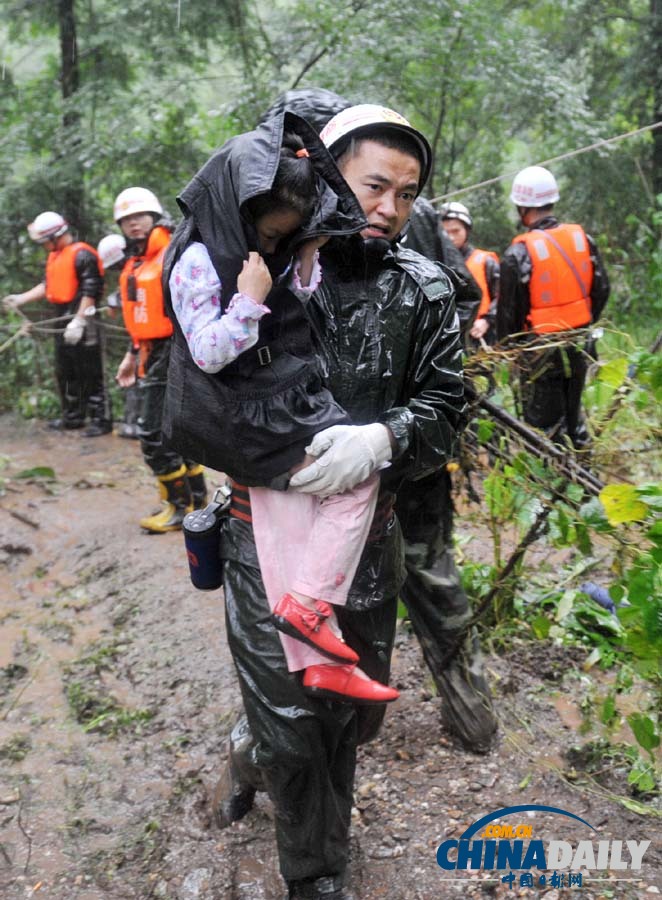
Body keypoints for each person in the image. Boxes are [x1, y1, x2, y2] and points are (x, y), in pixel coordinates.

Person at [168, 103, 465, 900]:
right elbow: (201, 380)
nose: (390, 207)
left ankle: (250, 750)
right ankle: (316, 873)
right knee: (296, 730)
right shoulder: (263, 265)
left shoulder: (424, 288)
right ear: (327, 177)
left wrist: (385, 438)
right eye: (375, 185)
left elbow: (447, 407)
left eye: (408, 194)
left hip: (366, 539)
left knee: (350, 720)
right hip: (257, 534)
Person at [165, 122, 398, 704]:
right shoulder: (197, 261)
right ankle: (311, 607)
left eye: (284, 236)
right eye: (271, 234)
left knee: (287, 516)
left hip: (272, 402)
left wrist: (307, 251)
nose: (274, 246)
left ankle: (315, 657)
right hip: (243, 414)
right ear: (240, 214)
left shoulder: (262, 248)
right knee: (356, 478)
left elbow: (297, 297)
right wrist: (248, 300)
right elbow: (208, 352)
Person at [112, 188, 207, 531]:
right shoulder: (136, 263)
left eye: (139, 216)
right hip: (151, 351)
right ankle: (196, 500)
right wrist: (132, 353)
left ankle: (178, 507)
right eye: (126, 219)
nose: (133, 223)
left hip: (174, 349)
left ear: (154, 216)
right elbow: (143, 315)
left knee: (152, 432)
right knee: (176, 432)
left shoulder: (173, 253)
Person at [497, 166, 610, 449]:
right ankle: (583, 470)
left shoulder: (518, 253)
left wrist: (511, 351)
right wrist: (582, 322)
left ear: (522, 207)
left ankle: (554, 472)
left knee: (544, 428)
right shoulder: (582, 240)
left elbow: (509, 316)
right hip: (580, 343)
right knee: (573, 415)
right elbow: (602, 289)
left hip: (540, 353)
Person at [2, 211, 113, 436]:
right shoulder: (56, 256)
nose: (43, 246)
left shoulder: (83, 255)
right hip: (63, 316)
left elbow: (91, 290)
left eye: (44, 241)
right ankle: (73, 417)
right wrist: (21, 298)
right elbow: (48, 285)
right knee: (66, 369)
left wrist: (79, 320)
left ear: (55, 236)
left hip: (84, 317)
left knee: (89, 370)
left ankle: (100, 420)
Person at [97, 234, 140, 440]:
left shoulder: (137, 269)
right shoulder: (136, 267)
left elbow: (134, 296)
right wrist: (113, 301)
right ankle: (135, 422)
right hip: (143, 334)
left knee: (135, 377)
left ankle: (134, 424)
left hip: (145, 336)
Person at [441, 200, 500, 346]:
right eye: (445, 232)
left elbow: (502, 297)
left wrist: (487, 320)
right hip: (449, 341)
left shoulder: (486, 261)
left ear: (466, 231)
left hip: (482, 337)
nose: (451, 237)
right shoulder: (434, 266)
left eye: (456, 231)